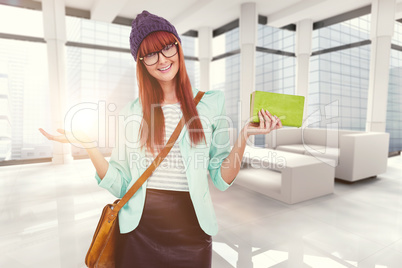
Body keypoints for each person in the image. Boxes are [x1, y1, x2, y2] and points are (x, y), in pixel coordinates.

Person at [39, 10, 282, 268]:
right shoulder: (131, 113)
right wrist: (90, 146)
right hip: (139, 229)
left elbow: (221, 180)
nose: (162, 59)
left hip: (192, 229)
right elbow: (121, 184)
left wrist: (243, 135)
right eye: (151, 54)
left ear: (178, 47)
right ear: (141, 62)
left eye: (167, 47)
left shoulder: (211, 102)